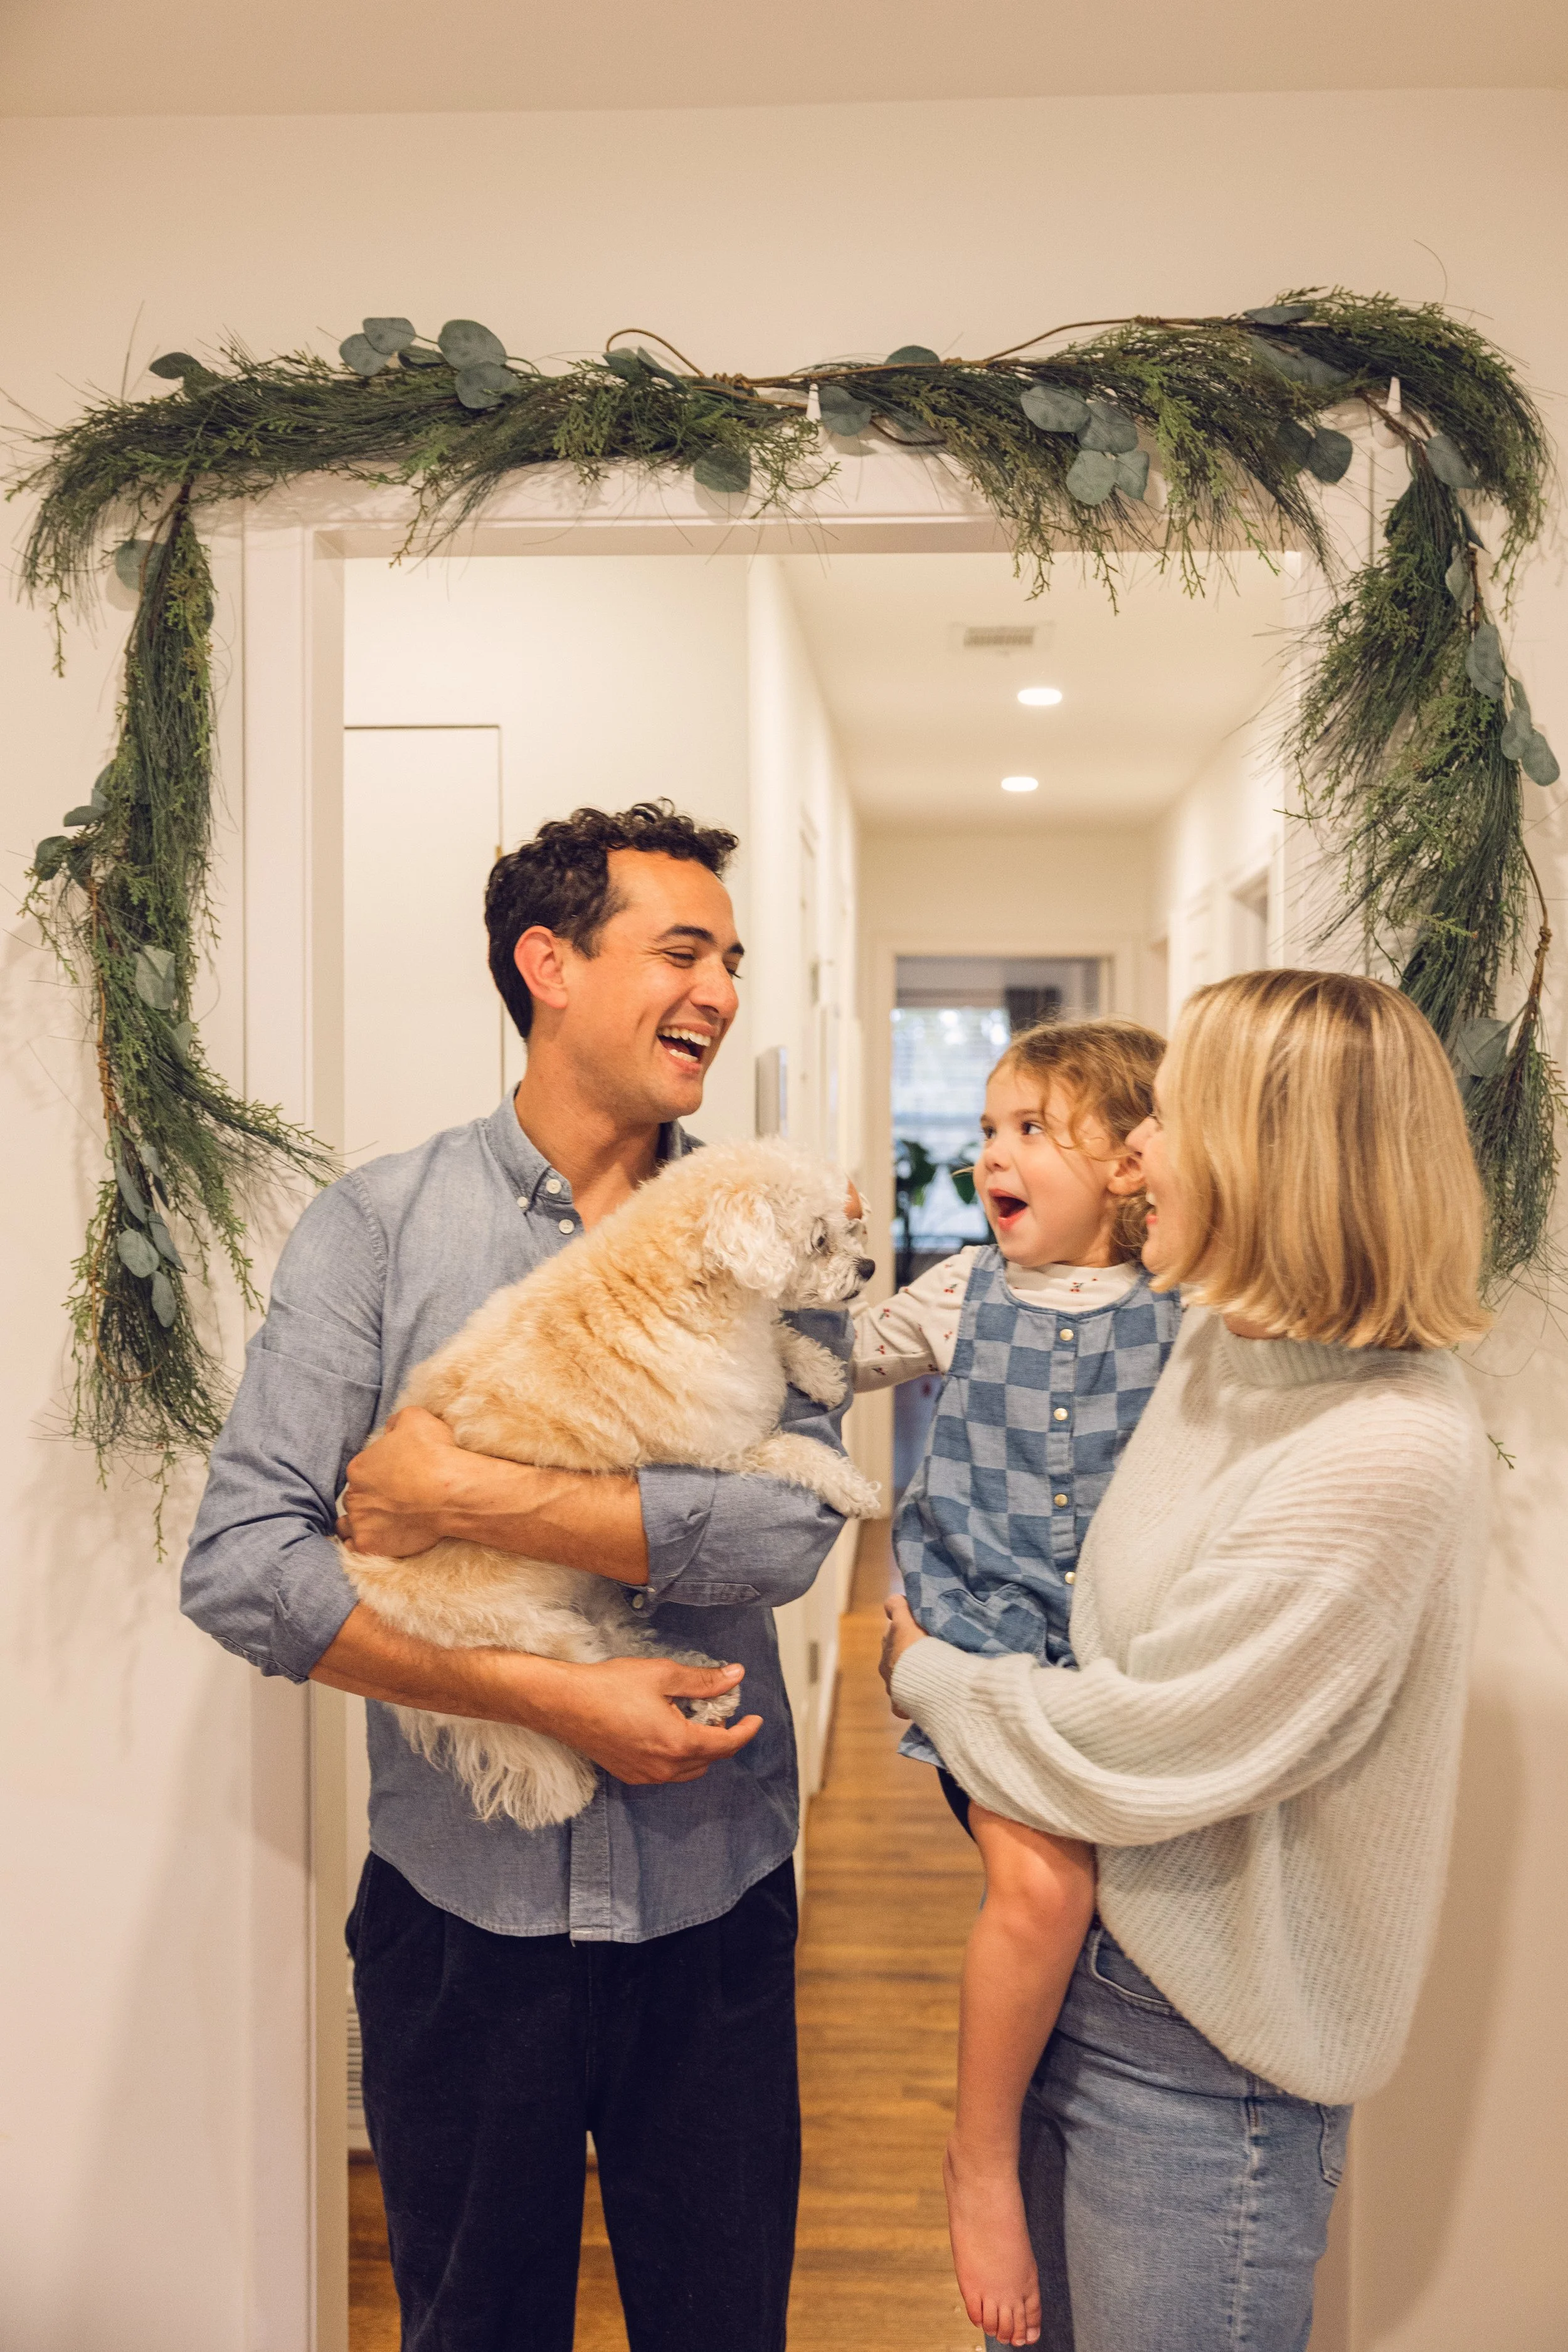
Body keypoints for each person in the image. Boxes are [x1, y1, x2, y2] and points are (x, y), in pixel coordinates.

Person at [182, 800, 862, 2352]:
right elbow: (243, 1564)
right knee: (472, 2326)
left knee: (722, 2326)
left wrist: (468, 1490)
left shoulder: (767, 1218)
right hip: (458, 1921)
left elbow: (786, 1534)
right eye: (680, 951)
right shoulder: (378, 1227)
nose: (721, 992)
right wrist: (547, 1695)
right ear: (545, 963)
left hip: (718, 1905)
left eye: (731, 959)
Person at [881, 968, 1493, 2352]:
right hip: (1087, 1982)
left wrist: (923, 1671)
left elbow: (1136, 1743)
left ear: (1271, 1157)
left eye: (1171, 1118)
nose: (1136, 1152)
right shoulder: (1218, 1348)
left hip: (1199, 2064)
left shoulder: (1381, 1448)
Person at [854, 1017, 1178, 2349]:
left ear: (1128, 1165)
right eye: (986, 1129)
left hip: (1109, 1647)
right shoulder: (956, 1293)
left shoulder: (1186, 1306)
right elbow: (822, 1366)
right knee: (1044, 1887)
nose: (991, 1154)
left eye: (1030, 1129)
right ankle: (977, 2158)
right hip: (979, 1639)